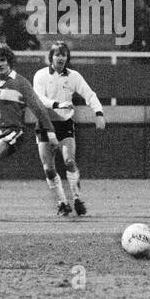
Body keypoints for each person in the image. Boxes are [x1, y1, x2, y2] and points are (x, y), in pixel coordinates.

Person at [0, 42, 59, 221]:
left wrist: (51, 133)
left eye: (2, 60)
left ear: (9, 61)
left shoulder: (20, 82)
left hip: (13, 132)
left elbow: (39, 109)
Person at [32, 40, 106, 216]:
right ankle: (62, 202)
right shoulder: (40, 75)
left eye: (63, 54)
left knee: (70, 161)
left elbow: (89, 94)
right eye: (57, 54)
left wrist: (99, 113)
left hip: (65, 124)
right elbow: (38, 99)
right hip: (45, 124)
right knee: (49, 169)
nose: (60, 57)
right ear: (51, 57)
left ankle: (77, 198)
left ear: (67, 57)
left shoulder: (73, 76)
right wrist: (58, 104)